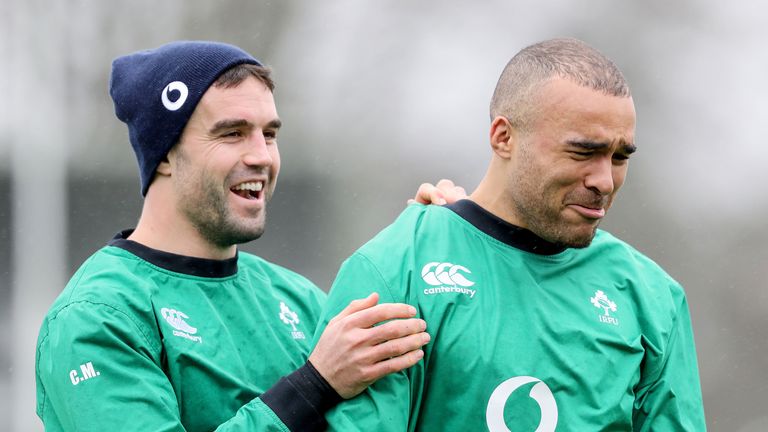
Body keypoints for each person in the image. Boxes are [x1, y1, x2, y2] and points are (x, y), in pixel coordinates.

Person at [35, 40, 450, 432]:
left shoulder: (296, 297)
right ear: (163, 154)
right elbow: (323, 383)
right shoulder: (97, 316)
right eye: (232, 133)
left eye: (269, 134)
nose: (262, 156)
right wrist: (314, 384)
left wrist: (426, 250)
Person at [315, 38, 707, 431]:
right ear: (503, 137)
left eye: (620, 157)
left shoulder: (653, 297)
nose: (605, 181)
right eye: (583, 152)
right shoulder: (397, 270)